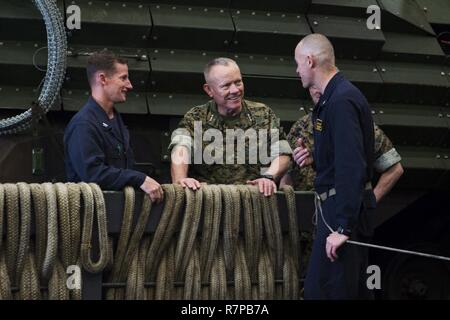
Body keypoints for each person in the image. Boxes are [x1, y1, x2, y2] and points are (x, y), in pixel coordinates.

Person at [294, 34, 376, 299]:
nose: (297, 71)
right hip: (336, 209)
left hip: (341, 212)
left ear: (310, 60)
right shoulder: (332, 99)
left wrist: (343, 228)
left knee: (327, 292)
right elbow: (342, 155)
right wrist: (316, 159)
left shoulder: (340, 100)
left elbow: (351, 166)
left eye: (298, 63)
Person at [169, 57, 292, 196]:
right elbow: (180, 149)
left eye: (238, 82)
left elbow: (282, 153)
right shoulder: (195, 117)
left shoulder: (263, 114)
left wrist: (268, 177)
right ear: (209, 90)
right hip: (209, 202)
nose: (235, 90)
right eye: (226, 86)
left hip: (254, 201)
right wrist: (181, 181)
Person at [64, 50, 163, 203]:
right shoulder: (83, 124)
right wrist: (139, 179)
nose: (129, 85)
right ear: (103, 79)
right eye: (123, 78)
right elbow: (92, 174)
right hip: (92, 216)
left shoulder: (115, 120)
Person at [282, 86, 404, 203]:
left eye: (320, 84)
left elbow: (395, 169)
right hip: (307, 208)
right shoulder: (300, 127)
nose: (317, 91)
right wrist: (288, 205)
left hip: (345, 209)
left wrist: (370, 204)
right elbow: (287, 174)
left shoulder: (359, 125)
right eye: (312, 86)